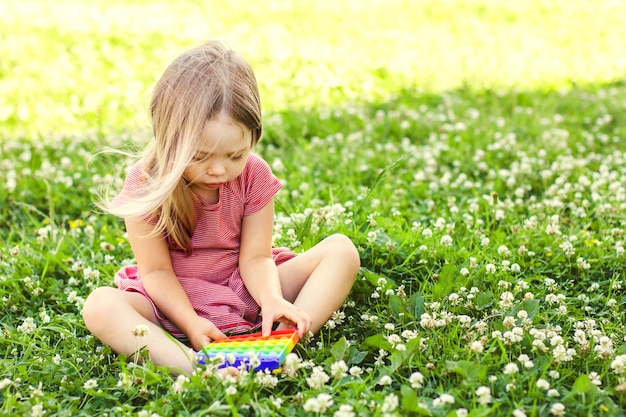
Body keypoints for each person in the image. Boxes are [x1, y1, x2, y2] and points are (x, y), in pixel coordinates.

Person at [82, 41, 360, 375]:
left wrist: (271, 297)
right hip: (171, 303)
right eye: (199, 156)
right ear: (170, 138)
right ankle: (194, 366)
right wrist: (190, 322)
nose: (219, 170)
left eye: (235, 155)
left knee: (341, 250)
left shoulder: (254, 174)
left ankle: (281, 339)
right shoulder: (147, 182)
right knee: (100, 305)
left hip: (244, 290)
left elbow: (257, 258)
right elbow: (155, 273)